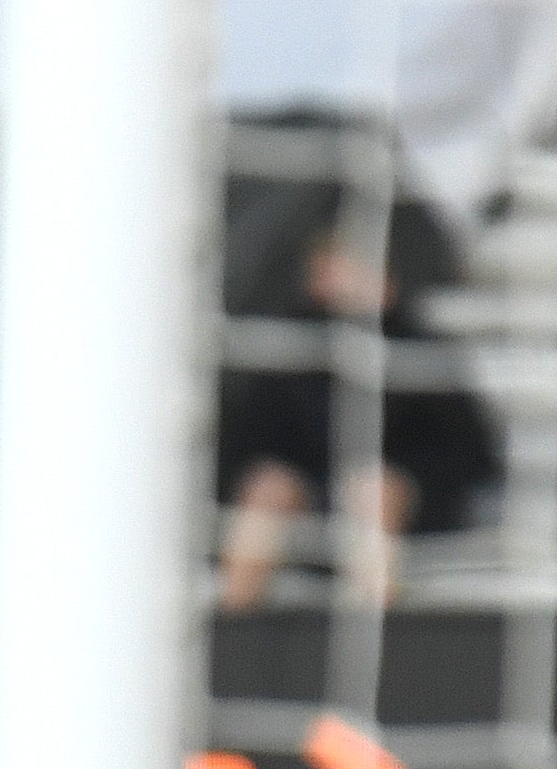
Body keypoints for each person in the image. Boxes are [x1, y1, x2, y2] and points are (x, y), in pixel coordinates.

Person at [212, 183, 499, 614]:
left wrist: (406, 481)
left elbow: (469, 453)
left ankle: (376, 631)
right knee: (267, 495)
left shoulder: (418, 350)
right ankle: (232, 629)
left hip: (396, 507)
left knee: (373, 494)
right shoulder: (289, 347)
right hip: (307, 500)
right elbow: (248, 440)